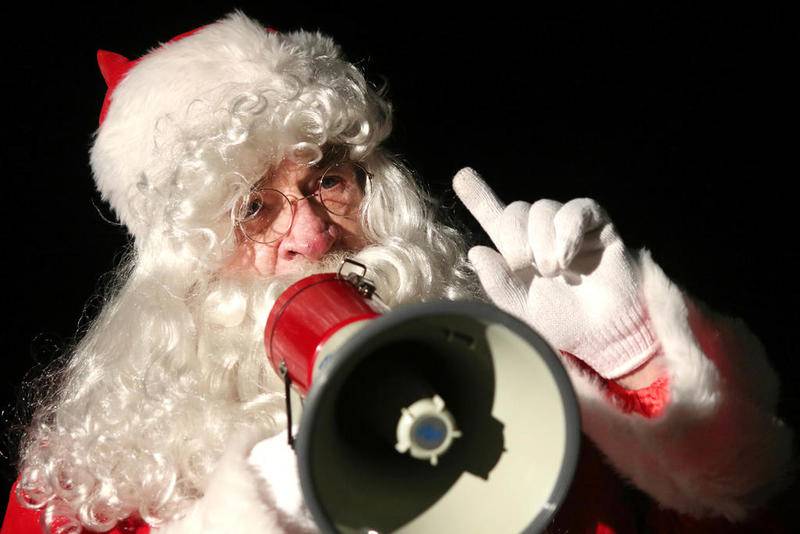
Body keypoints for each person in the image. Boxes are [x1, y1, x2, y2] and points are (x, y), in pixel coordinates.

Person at [2, 11, 793, 533]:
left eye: (327, 181)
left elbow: (746, 516)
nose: (309, 233)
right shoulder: (91, 476)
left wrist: (637, 366)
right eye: (252, 209)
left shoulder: (507, 375)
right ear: (183, 262)